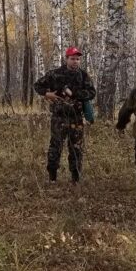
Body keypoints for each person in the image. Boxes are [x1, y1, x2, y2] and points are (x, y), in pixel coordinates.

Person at [33, 48, 96, 183]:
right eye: (72, 58)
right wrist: (47, 93)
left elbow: (92, 93)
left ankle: (75, 178)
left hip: (76, 117)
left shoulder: (83, 75)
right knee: (55, 146)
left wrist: (76, 94)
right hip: (59, 117)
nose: (75, 61)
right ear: (66, 59)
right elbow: (37, 85)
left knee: (76, 148)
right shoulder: (55, 74)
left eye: (77, 59)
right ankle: (52, 177)